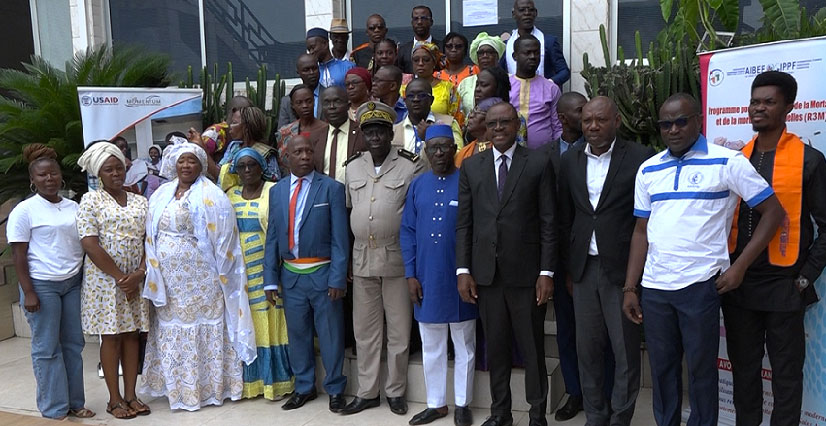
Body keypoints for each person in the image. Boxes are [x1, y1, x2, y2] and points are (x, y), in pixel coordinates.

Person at [622, 93, 785, 426]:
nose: (674, 129)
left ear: (698, 120)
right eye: (666, 124)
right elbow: (641, 231)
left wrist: (739, 266)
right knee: (663, 371)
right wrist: (630, 287)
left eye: (681, 121)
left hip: (700, 287)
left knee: (700, 371)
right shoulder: (649, 169)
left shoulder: (728, 162)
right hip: (655, 289)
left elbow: (773, 213)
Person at [724, 71, 826, 425]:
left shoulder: (809, 160)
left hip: (785, 287)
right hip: (740, 286)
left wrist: (804, 278)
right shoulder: (736, 160)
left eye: (769, 102)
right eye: (755, 101)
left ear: (789, 108)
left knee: (786, 377)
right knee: (744, 375)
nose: (759, 108)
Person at [457, 101, 556, 426]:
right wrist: (463, 270)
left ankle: (537, 414)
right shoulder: (472, 166)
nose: (498, 129)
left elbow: (548, 221)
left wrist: (546, 272)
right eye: (493, 124)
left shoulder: (539, 162)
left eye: (505, 123)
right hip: (487, 276)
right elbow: (465, 224)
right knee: (496, 348)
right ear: (485, 128)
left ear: (517, 125)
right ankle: (500, 413)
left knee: (531, 349)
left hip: (527, 276)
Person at [557, 97, 655, 425]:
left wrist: (636, 277)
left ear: (617, 122)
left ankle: (620, 418)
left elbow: (648, 219)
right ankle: (596, 416)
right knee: (588, 349)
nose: (593, 126)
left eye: (601, 120)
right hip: (584, 269)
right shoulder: (570, 161)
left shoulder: (641, 158)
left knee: (625, 351)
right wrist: (570, 269)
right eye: (587, 121)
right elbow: (566, 216)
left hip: (622, 269)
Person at [141, 141, 257, 411]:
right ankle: (178, 389)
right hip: (169, 280)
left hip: (203, 280)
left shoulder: (214, 196)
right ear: (173, 164)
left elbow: (227, 242)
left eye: (192, 161)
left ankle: (207, 389)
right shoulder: (161, 195)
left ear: (201, 165)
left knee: (202, 327)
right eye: (182, 161)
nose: (186, 166)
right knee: (172, 329)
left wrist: (226, 277)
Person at [341, 101, 426, 416]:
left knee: (399, 330)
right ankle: (367, 392)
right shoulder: (352, 166)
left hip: (397, 257)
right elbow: (351, 210)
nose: (375, 137)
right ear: (363, 135)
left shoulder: (410, 164)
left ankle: (396, 391)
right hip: (362, 257)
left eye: (380, 131)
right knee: (365, 331)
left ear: (391, 133)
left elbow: (417, 213)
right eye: (369, 131)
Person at [262, 135, 349, 412]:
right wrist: (270, 279)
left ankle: (335, 388)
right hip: (291, 277)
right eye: (297, 152)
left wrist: (338, 277)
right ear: (286, 157)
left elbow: (340, 239)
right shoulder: (277, 191)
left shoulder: (331, 189)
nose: (304, 157)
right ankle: (304, 387)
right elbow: (273, 237)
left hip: (323, 274)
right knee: (298, 335)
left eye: (308, 151)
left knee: (330, 334)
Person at [8, 144, 95, 420]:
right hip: (41, 286)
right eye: (43, 175)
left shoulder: (74, 207)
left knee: (73, 345)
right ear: (33, 180)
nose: (49, 179)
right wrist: (28, 291)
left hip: (72, 283)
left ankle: (75, 403)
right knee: (47, 349)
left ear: (61, 176)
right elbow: (18, 255)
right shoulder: (25, 210)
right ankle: (53, 407)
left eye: (53, 174)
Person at [401, 125, 477, 426]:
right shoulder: (418, 185)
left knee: (464, 344)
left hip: (461, 277)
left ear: (455, 148)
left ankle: (462, 403)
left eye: (445, 146)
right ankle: (436, 403)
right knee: (431, 344)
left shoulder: (468, 182)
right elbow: (407, 231)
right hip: (426, 277)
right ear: (426, 151)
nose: (439, 153)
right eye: (433, 147)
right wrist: (410, 274)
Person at [76, 142, 151, 419]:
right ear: (99, 174)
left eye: (119, 167)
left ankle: (131, 395)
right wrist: (121, 278)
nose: (116, 173)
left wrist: (139, 273)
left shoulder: (140, 201)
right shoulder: (91, 200)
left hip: (135, 279)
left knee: (132, 335)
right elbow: (90, 243)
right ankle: (115, 399)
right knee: (111, 337)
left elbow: (149, 240)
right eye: (109, 169)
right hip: (106, 282)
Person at [535, 91, 589, 422]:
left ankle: (603, 391)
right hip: (560, 260)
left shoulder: (602, 150)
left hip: (596, 258)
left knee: (598, 334)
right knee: (568, 331)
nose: (589, 116)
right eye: (581, 111)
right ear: (564, 118)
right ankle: (575, 392)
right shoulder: (543, 157)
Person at [226, 148, 295, 401]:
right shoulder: (230, 195)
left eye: (252, 165)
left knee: (271, 324)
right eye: (241, 166)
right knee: (247, 324)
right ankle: (249, 384)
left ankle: (275, 382)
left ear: (261, 167)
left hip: (267, 270)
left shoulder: (272, 191)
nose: (247, 171)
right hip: (239, 276)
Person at [509, 34, 562, 148]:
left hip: (544, 154)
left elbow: (557, 126)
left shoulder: (551, 88)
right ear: (515, 56)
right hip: (510, 155)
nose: (533, 56)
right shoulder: (504, 86)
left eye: (536, 53)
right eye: (527, 53)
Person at [501, 0, 570, 85]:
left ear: (536, 13)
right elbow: (500, 73)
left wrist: (548, 84)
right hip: (515, 96)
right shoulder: (507, 45)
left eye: (531, 10)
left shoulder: (549, 42)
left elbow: (564, 72)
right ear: (513, 14)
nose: (527, 13)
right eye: (522, 10)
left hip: (543, 95)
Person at [215, 106, 280, 191]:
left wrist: (202, 148)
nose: (230, 126)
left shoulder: (266, 154)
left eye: (234, 123)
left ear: (246, 127)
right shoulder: (234, 146)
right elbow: (220, 173)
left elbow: (274, 186)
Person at [394, 78, 463, 157]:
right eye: (411, 96)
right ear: (405, 101)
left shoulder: (449, 123)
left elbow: (459, 156)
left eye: (422, 95)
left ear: (431, 100)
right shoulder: (395, 130)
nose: (416, 99)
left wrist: (431, 136)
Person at [316, 86, 366, 183]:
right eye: (326, 103)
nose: (332, 107)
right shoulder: (316, 137)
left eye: (337, 102)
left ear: (348, 105)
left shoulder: (362, 133)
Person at [400, 43, 461, 124]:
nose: (420, 63)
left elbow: (457, 120)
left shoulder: (448, 89)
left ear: (434, 62)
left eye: (426, 60)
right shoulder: (403, 89)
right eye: (416, 60)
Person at [275, 84, 329, 175]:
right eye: (299, 103)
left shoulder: (328, 129)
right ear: (292, 105)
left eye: (308, 101)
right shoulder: (285, 132)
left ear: (314, 101)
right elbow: (283, 166)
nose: (305, 106)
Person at [457, 32, 506, 118]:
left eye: (490, 52)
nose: (485, 56)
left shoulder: (509, 80)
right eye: (481, 53)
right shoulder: (465, 83)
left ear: (497, 56)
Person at [278, 54, 323, 129]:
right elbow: (282, 132)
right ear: (298, 72)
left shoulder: (329, 96)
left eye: (314, 68)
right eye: (306, 70)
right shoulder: (287, 101)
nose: (311, 73)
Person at [455, 98, 500, 167]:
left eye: (476, 113)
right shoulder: (463, 153)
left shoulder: (501, 150)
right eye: (472, 112)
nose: (471, 116)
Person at [398, 5, 441, 74]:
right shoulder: (403, 50)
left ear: (431, 22)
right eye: (416, 19)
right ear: (412, 23)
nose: (419, 22)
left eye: (423, 18)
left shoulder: (441, 48)